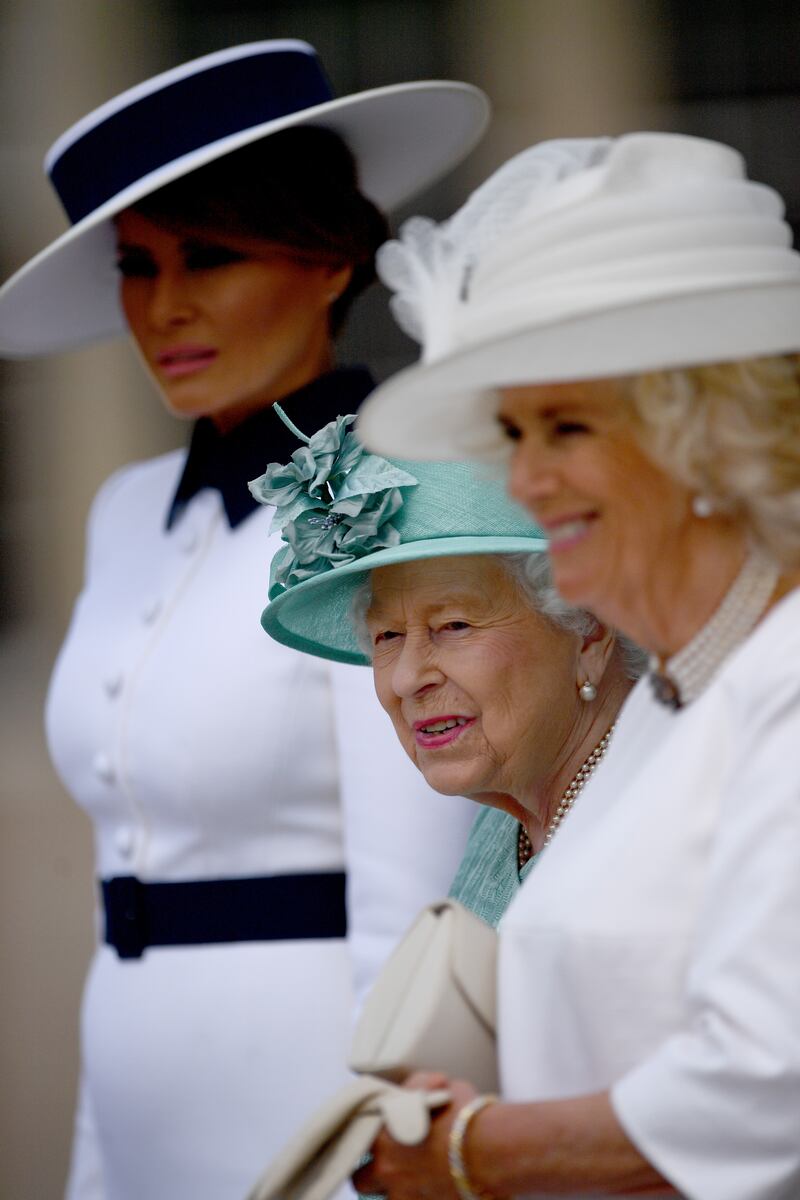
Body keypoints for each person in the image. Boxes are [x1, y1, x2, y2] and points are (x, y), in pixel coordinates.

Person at [0, 42, 489, 1200]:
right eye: (136, 265)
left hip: (316, 1088)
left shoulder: (398, 485)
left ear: (326, 262)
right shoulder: (123, 514)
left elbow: (415, 885)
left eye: (208, 256)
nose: (163, 306)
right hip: (129, 1078)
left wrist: (396, 1131)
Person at [350, 133, 800, 1198]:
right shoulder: (670, 696)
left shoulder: (782, 688)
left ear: (700, 434)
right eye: (513, 431)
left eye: (565, 427)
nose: (526, 478)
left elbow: (768, 1080)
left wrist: (468, 1153)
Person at [252, 438, 643, 929]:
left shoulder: (664, 812)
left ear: (589, 633)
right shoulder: (507, 821)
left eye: (454, 626)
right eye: (388, 635)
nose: (407, 678)